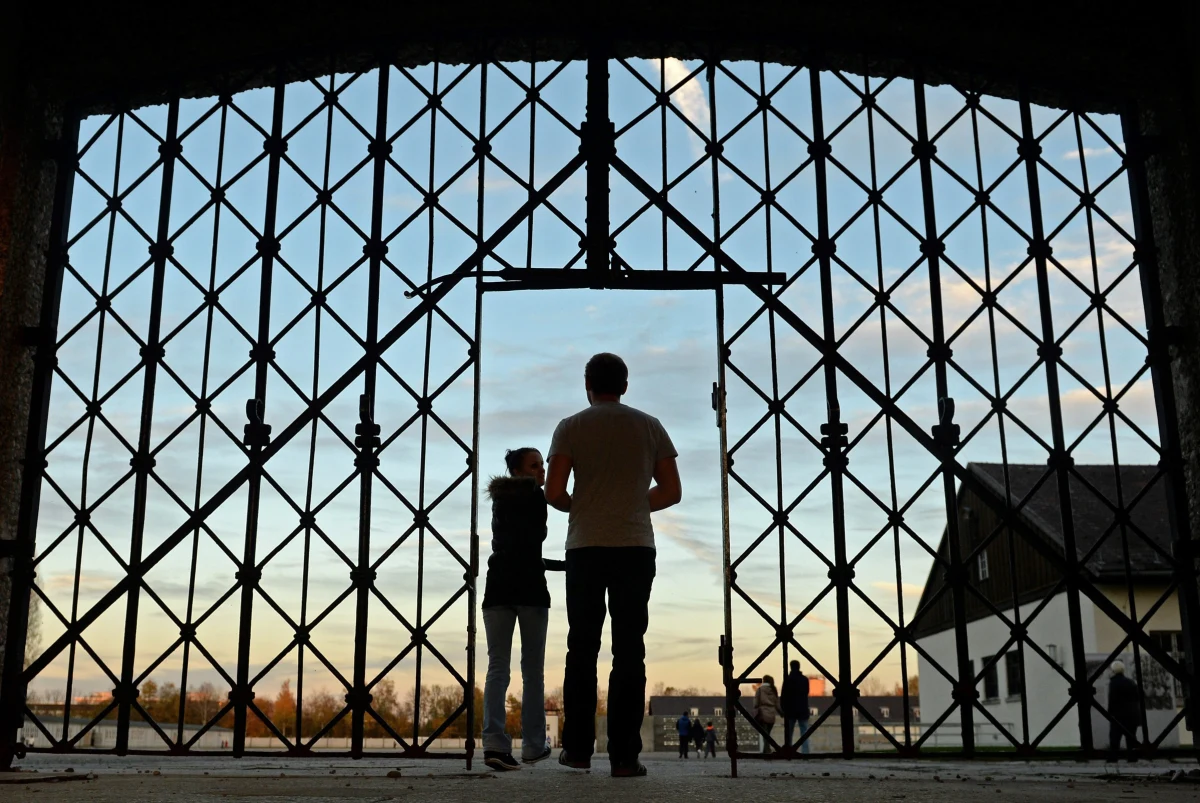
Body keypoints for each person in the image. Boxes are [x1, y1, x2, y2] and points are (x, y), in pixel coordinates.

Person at [546, 353, 682, 778]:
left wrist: (584, 507)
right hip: (635, 547)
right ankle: (625, 756)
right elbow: (672, 490)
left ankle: (579, 751)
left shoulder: (570, 426)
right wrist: (632, 505)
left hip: (585, 546)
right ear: (625, 384)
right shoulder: (649, 425)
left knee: (581, 648)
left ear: (587, 383)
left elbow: (552, 491)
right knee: (629, 651)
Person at [481, 448, 567, 772]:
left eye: (542, 465)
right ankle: (532, 745)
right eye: (535, 465)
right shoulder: (535, 497)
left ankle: (494, 743)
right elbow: (530, 549)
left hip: (497, 588)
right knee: (532, 672)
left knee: (497, 668)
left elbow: (512, 550)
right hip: (530, 591)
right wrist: (564, 564)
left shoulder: (500, 501)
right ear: (518, 470)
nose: (542, 470)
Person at [1107, 660, 1141, 760]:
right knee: (1130, 737)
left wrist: (1110, 713)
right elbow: (1137, 697)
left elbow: (1112, 699)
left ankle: (1113, 757)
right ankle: (1132, 757)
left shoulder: (1113, 683)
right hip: (1131, 714)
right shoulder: (1130, 682)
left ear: (1113, 671)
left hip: (1118, 714)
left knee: (1115, 737)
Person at [781, 659, 811, 754]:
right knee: (804, 733)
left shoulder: (787, 680)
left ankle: (789, 751)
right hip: (802, 709)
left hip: (790, 710)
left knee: (789, 733)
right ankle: (805, 752)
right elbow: (806, 692)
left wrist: (783, 709)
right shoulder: (804, 679)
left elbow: (783, 696)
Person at [753, 674, 782, 753]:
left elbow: (756, 703)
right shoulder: (773, 690)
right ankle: (766, 750)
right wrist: (781, 713)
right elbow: (777, 703)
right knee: (767, 734)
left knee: (765, 734)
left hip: (763, 714)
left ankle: (767, 750)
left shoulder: (760, 690)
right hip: (772, 715)